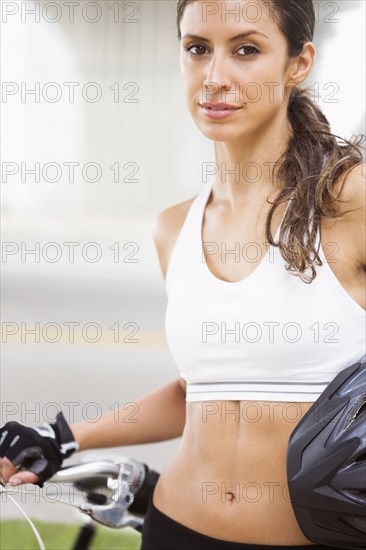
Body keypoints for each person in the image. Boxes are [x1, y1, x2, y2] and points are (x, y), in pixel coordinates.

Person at [1, 1, 365, 549]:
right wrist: (63, 437)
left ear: (299, 62)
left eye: (246, 50)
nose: (215, 77)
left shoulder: (349, 201)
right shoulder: (173, 228)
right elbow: (199, 390)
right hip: (176, 529)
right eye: (197, 49)